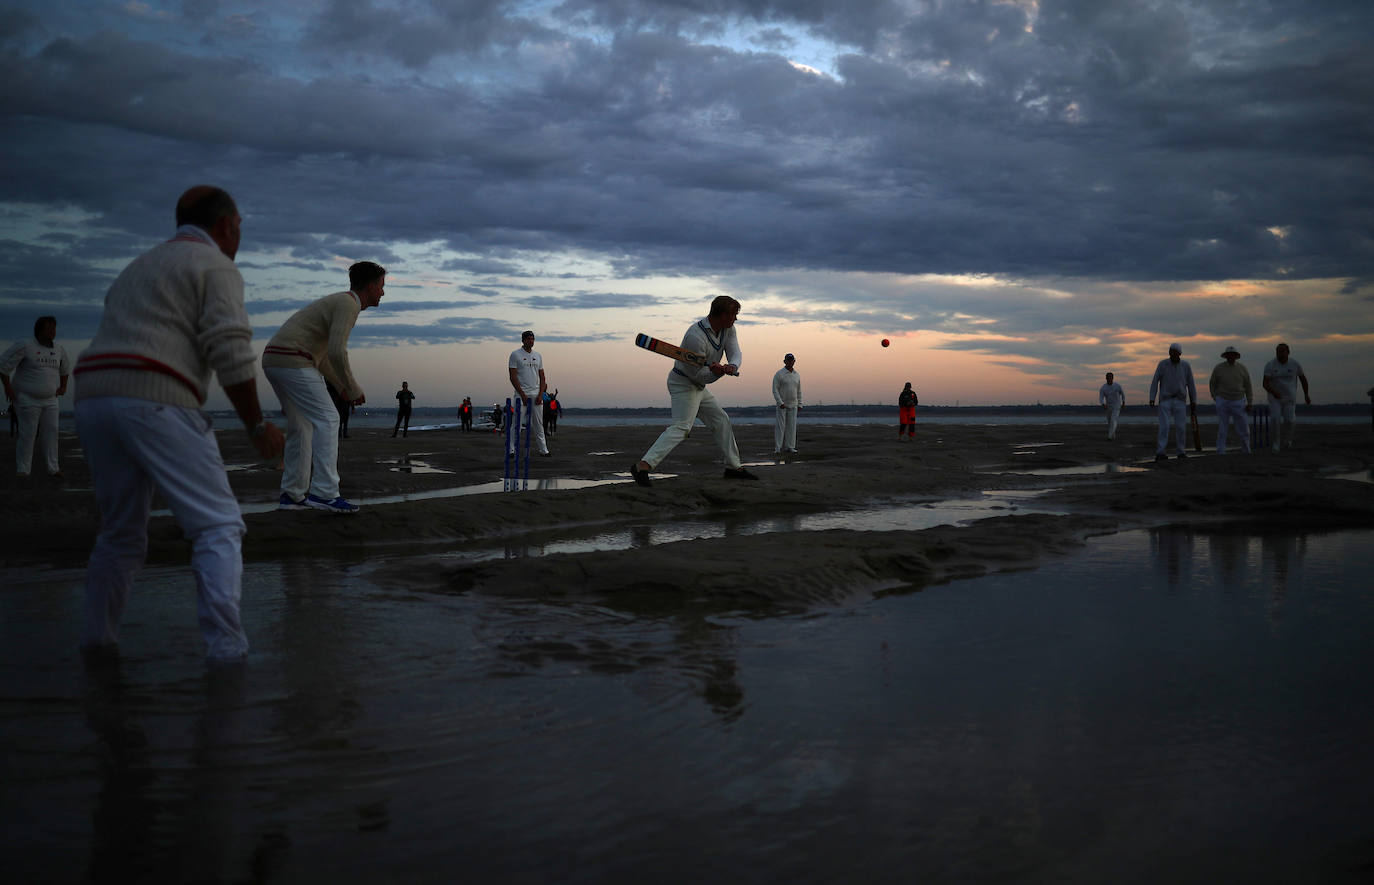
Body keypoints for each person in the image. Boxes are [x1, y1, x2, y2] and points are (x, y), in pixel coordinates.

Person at [71, 185, 284, 662]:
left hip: (92, 398)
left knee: (120, 533)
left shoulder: (141, 265)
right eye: (240, 228)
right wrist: (256, 426)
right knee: (218, 527)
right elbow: (229, 351)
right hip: (156, 399)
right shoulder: (214, 266)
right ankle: (227, 654)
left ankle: (97, 644)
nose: (239, 236)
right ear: (227, 225)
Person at [262, 261, 386, 513]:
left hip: (275, 360)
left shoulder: (341, 302)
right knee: (329, 419)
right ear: (371, 286)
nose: (383, 293)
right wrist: (351, 387)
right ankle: (325, 493)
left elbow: (325, 357)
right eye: (382, 287)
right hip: (293, 359)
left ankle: (293, 494)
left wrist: (340, 385)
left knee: (302, 425)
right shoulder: (348, 304)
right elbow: (336, 352)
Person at [630, 295, 757, 485]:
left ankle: (733, 467)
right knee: (682, 427)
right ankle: (642, 466)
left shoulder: (728, 329)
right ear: (722, 315)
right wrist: (717, 373)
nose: (735, 319)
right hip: (683, 383)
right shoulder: (694, 337)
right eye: (733, 315)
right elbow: (699, 375)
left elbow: (735, 352)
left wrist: (732, 366)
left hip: (698, 385)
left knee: (721, 420)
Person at [0, 315, 70, 477]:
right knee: (28, 433)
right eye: (49, 328)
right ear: (39, 330)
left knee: (52, 431)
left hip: (51, 399)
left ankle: (54, 469)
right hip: (27, 398)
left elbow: (64, 369)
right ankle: (23, 470)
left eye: (54, 328)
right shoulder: (25, 346)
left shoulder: (58, 349)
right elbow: (3, 366)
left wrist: (64, 386)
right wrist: (8, 388)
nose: (53, 331)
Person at [1148, 342, 1198, 462]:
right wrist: (1152, 397)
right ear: (1169, 352)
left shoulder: (1186, 366)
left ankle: (1181, 451)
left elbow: (1191, 384)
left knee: (1181, 427)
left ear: (1179, 353)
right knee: (1164, 427)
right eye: (1171, 351)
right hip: (1165, 400)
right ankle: (1161, 452)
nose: (1173, 354)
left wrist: (1193, 400)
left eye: (1175, 352)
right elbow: (1155, 381)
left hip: (1180, 400)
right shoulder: (1163, 364)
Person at [508, 330, 551, 457]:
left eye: (532, 339)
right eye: (528, 339)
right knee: (517, 423)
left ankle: (544, 450)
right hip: (521, 395)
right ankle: (511, 449)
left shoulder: (538, 355)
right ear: (523, 340)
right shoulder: (515, 355)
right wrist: (522, 394)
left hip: (536, 394)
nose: (530, 341)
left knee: (538, 423)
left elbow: (543, 377)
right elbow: (513, 376)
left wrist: (540, 394)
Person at [1262, 342, 1311, 453]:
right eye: (1278, 352)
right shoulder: (1270, 365)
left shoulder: (1295, 364)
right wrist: (1274, 392)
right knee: (1275, 419)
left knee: (1289, 421)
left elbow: (1303, 380)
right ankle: (1276, 444)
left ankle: (1287, 441)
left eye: (1283, 351)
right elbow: (1265, 384)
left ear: (1288, 352)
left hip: (1289, 398)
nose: (1280, 354)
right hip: (1275, 398)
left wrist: (1306, 395)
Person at [1208, 346, 1253, 455]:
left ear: (1236, 356)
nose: (1231, 357)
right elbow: (1212, 383)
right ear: (1226, 356)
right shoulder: (1218, 368)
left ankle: (1246, 450)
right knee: (1223, 428)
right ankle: (1221, 451)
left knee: (1244, 428)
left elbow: (1248, 386)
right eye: (1229, 355)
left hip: (1239, 401)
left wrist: (1250, 402)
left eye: (1233, 355)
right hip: (1223, 400)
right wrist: (1215, 397)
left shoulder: (1242, 369)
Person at [772, 353, 802, 454]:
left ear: (794, 361)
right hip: (782, 405)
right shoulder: (779, 374)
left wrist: (800, 404)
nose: (790, 362)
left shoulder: (797, 375)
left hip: (793, 404)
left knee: (792, 427)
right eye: (788, 360)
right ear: (784, 361)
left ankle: (790, 447)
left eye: (791, 360)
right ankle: (778, 448)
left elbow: (799, 390)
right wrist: (780, 402)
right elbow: (775, 389)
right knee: (780, 427)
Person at [1098, 371, 1125, 441]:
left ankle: (1109, 437)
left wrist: (1123, 402)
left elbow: (1122, 394)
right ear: (1106, 378)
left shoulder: (1117, 386)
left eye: (1110, 378)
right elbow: (1101, 397)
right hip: (1108, 406)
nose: (1109, 379)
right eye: (1107, 378)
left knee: (1113, 420)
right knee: (1110, 422)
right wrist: (1103, 404)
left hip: (1117, 406)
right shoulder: (1103, 388)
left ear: (1112, 378)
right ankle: (1113, 436)